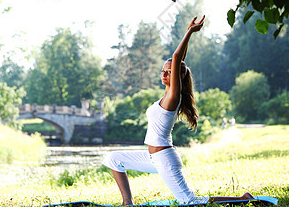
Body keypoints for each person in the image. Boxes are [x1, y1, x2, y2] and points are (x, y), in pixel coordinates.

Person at [102, 16, 253, 205]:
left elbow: (177, 58)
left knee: (189, 201)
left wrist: (189, 32)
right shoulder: (166, 96)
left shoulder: (174, 96)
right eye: (163, 71)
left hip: (165, 159)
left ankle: (242, 199)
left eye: (169, 71)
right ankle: (127, 202)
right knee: (114, 159)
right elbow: (179, 62)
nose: (164, 74)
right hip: (152, 157)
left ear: (180, 76)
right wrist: (183, 50)